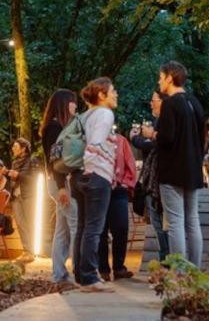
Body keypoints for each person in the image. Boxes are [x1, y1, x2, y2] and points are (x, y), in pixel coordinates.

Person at [149, 61, 206, 269]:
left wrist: (152, 134)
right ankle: (195, 270)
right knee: (192, 220)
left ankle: (179, 272)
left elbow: (167, 138)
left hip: (172, 170)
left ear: (169, 78)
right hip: (193, 169)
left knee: (175, 222)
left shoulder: (170, 104)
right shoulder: (195, 102)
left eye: (161, 77)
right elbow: (201, 138)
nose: (159, 82)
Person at [72, 77, 118, 293]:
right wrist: (91, 168)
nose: (116, 94)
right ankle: (90, 277)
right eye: (113, 91)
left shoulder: (85, 115)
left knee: (83, 227)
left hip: (78, 175)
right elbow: (95, 144)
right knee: (94, 228)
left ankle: (81, 276)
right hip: (95, 174)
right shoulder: (105, 114)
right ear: (101, 94)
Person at [41, 89, 79, 287]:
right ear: (63, 104)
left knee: (62, 229)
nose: (75, 106)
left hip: (60, 182)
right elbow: (54, 159)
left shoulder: (56, 126)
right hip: (61, 183)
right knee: (75, 224)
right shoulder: (55, 127)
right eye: (72, 102)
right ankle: (79, 271)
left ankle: (59, 273)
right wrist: (61, 186)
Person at [131, 90, 170, 263]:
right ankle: (167, 259)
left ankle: (167, 260)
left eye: (153, 100)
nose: (151, 103)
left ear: (162, 102)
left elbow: (154, 146)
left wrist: (135, 139)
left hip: (157, 180)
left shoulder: (163, 122)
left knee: (160, 222)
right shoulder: (161, 121)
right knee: (160, 222)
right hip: (157, 179)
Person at [99, 132, 136, 281]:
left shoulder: (121, 141)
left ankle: (119, 267)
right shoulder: (93, 139)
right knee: (100, 230)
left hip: (118, 190)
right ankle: (103, 269)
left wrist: (125, 183)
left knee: (121, 228)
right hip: (99, 189)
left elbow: (130, 164)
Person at [7, 138, 41, 263]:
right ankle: (26, 251)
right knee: (20, 224)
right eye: (13, 147)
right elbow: (13, 181)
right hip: (16, 196)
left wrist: (18, 175)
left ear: (23, 149)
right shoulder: (15, 162)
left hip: (28, 196)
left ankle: (30, 252)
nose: (13, 149)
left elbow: (35, 179)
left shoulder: (33, 161)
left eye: (16, 147)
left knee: (29, 223)